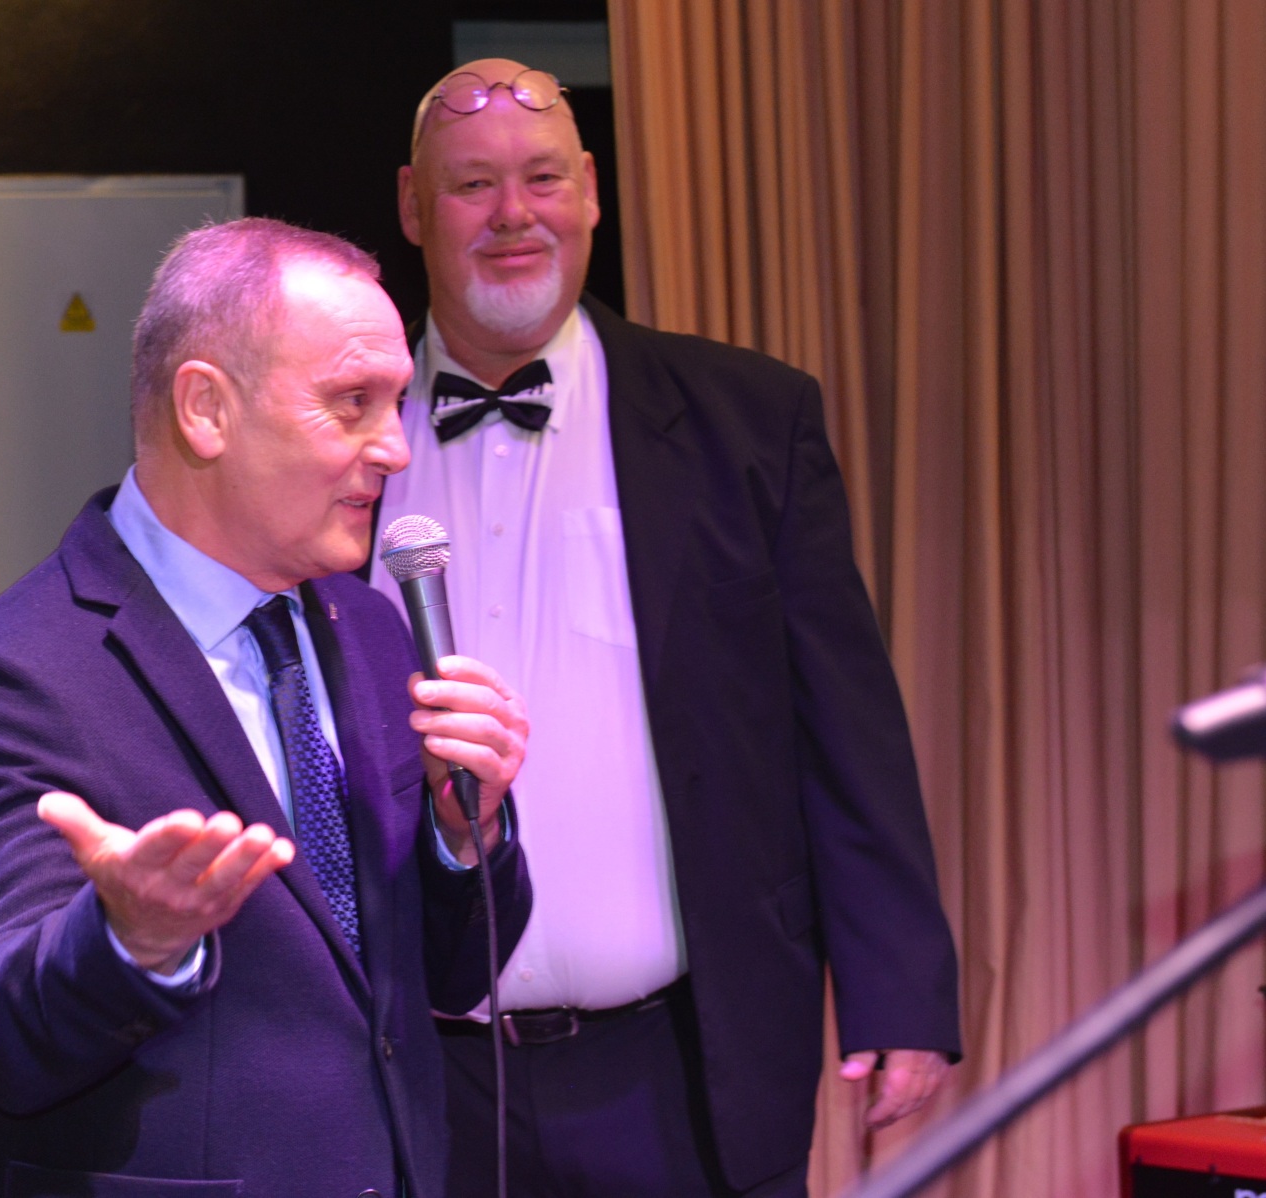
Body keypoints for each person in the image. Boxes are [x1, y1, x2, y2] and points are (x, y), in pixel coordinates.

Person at [369, 59, 962, 1198]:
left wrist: (899, 989)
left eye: (544, 178)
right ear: (412, 205)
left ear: (592, 190)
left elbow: (844, 719)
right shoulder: (338, 438)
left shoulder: (749, 419)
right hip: (415, 1079)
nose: (513, 214)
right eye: (472, 185)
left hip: (681, 1071)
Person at [0, 217, 534, 1198]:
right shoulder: (17, 678)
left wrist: (468, 837)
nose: (394, 449)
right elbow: (0, 1037)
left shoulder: (374, 629)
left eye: (397, 405)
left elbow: (447, 979)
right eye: (353, 403)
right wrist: (129, 941)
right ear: (205, 409)